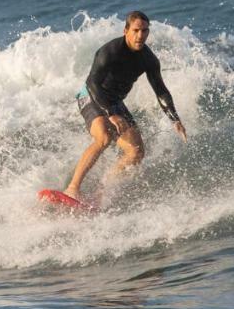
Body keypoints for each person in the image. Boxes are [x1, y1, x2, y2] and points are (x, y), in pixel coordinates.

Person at [63, 11, 187, 200]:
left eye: (145, 31)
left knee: (136, 152)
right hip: (91, 96)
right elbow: (93, 84)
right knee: (104, 137)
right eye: (136, 30)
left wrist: (174, 118)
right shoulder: (110, 51)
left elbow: (160, 90)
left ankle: (100, 195)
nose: (141, 35)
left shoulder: (148, 59)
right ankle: (72, 189)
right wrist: (110, 114)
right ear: (126, 31)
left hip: (114, 101)